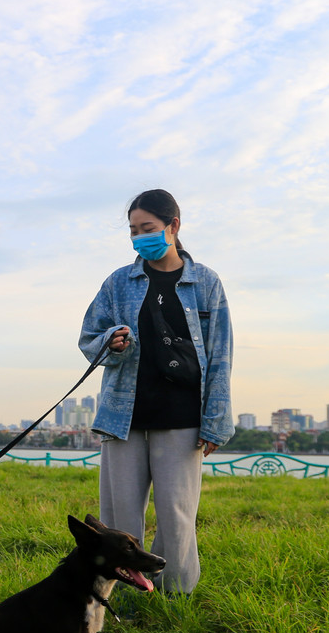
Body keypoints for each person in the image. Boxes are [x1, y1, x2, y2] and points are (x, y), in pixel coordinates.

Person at [78, 189, 233, 595]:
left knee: (177, 516)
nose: (140, 237)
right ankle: (123, 599)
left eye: (148, 228)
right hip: (122, 415)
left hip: (182, 417)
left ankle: (174, 597)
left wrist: (216, 421)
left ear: (173, 226)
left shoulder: (206, 283)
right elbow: (89, 337)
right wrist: (111, 341)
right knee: (120, 518)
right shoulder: (118, 282)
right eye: (133, 230)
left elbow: (221, 355)